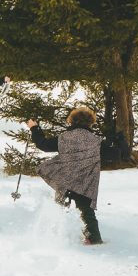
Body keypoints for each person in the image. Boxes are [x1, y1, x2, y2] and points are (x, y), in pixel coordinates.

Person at [27, 105, 103, 245]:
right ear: (90, 122)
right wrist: (120, 143)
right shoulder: (95, 140)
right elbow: (114, 154)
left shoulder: (64, 138)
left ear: (71, 121)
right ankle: (94, 240)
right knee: (87, 212)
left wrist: (34, 128)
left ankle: (57, 236)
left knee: (60, 208)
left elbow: (43, 145)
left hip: (65, 181)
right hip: (85, 184)